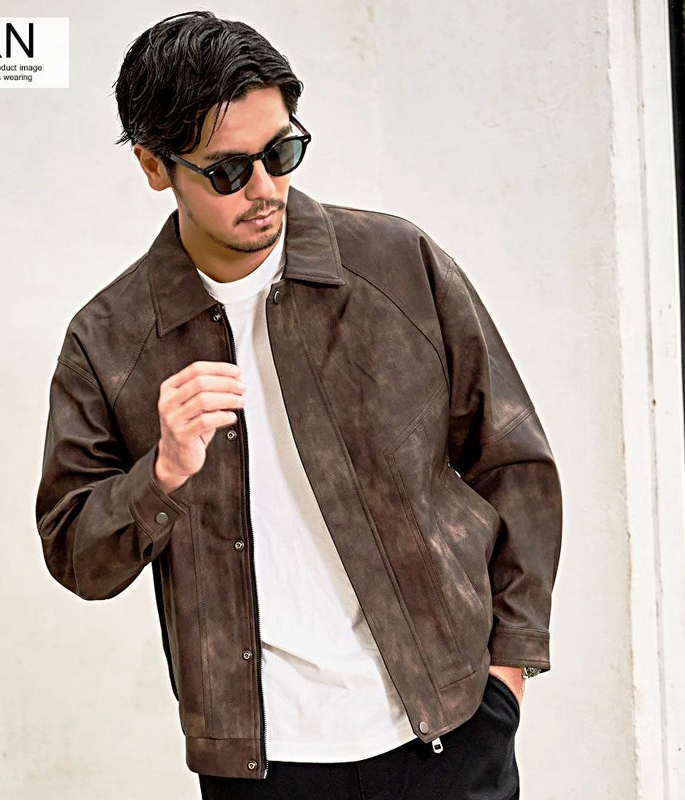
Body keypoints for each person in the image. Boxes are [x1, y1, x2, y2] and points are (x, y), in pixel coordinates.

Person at [36, 11, 562, 800]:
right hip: (261, 760)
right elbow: (78, 557)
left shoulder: (394, 264)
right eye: (227, 170)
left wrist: (507, 674)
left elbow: (513, 460)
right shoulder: (110, 340)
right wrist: (161, 474)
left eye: (281, 152)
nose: (265, 189)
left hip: (449, 726)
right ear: (153, 165)